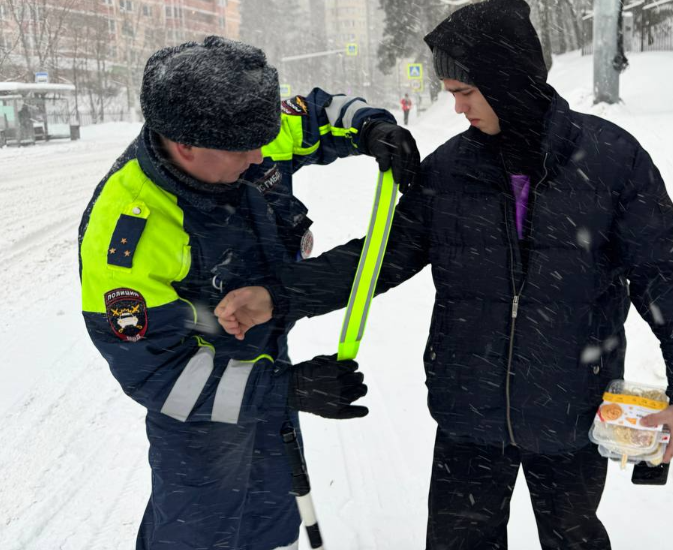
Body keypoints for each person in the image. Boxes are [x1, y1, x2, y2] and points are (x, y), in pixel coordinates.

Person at [217, 0, 673, 549]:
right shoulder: (449, 172)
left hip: (572, 413)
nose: (458, 108)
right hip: (469, 416)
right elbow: (378, 260)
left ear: (506, 81)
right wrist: (278, 296)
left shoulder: (612, 162)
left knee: (574, 539)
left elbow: (668, 284)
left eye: (465, 92)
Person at [78, 36, 420, 550]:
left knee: (270, 519)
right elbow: (157, 371)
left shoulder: (240, 129)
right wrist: (287, 389)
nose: (262, 154)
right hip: (200, 421)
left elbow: (320, 113)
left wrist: (372, 127)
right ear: (185, 145)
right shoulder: (130, 229)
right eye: (245, 150)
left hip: (266, 374)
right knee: (199, 534)